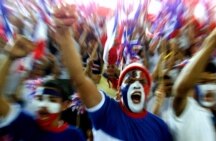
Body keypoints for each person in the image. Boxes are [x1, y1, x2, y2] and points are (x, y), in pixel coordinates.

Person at [53, 5, 173, 141]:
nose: (137, 84)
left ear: (147, 92)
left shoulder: (160, 127)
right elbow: (79, 78)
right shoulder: (106, 110)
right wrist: (65, 35)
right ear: (119, 91)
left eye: (142, 81)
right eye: (130, 80)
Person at [161, 18, 216, 141]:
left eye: (214, 82)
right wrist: (213, 42)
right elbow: (180, 89)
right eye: (204, 82)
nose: (210, 87)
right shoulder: (184, 109)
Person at [0, 36, 86, 141]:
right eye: (39, 99)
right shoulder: (25, 123)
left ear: (64, 105)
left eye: (52, 100)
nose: (43, 105)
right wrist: (10, 58)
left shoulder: (74, 135)